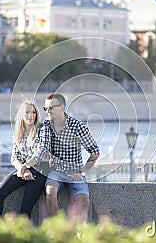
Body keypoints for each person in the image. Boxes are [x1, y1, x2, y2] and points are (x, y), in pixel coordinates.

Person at [40, 93, 100, 223]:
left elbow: (94, 152)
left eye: (51, 108)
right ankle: (57, 231)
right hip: (55, 171)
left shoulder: (78, 126)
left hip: (75, 171)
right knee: (50, 192)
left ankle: (80, 234)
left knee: (84, 200)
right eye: (45, 108)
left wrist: (82, 172)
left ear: (62, 108)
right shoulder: (46, 125)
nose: (47, 111)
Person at [0, 101, 51, 218]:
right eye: (27, 112)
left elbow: (41, 153)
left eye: (33, 112)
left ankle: (25, 234)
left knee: (25, 207)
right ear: (21, 115)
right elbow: (14, 157)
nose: (30, 115)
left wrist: (25, 167)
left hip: (41, 170)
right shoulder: (18, 132)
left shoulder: (43, 128)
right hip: (23, 170)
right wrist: (23, 169)